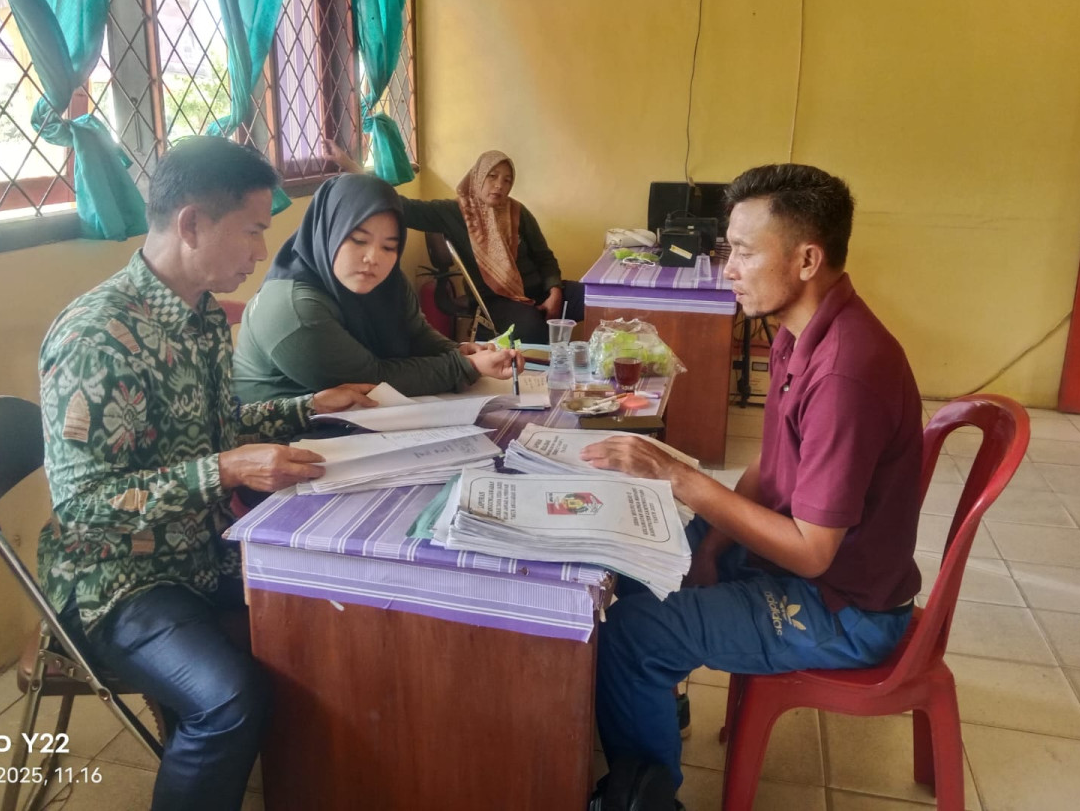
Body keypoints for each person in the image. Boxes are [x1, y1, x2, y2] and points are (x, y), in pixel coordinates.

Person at [38, 136, 376, 811]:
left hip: (201, 550)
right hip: (117, 581)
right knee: (227, 701)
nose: (261, 251)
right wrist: (224, 470)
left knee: (341, 612)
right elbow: (83, 507)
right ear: (191, 224)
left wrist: (310, 406)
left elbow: (219, 429)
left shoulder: (200, 316)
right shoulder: (95, 337)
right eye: (252, 231)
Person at [582, 163, 924, 799]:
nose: (727, 271)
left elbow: (812, 553)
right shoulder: (801, 333)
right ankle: (649, 708)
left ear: (806, 259)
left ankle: (645, 793)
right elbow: (771, 467)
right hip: (801, 567)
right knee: (631, 561)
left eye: (742, 252)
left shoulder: (846, 372)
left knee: (633, 635)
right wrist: (710, 548)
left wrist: (680, 478)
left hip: (845, 609)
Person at [232, 173, 522, 402]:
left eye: (389, 246)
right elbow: (372, 380)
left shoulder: (388, 282)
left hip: (356, 423)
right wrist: (468, 367)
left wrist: (461, 351)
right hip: (285, 441)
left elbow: (415, 334)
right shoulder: (295, 310)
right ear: (329, 232)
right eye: (359, 240)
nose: (373, 258)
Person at [325, 143, 583, 344]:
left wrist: (555, 292)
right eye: (492, 176)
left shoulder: (518, 212)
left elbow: (544, 257)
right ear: (478, 177)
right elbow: (401, 205)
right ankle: (545, 382)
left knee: (594, 298)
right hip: (496, 300)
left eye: (507, 180)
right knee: (532, 327)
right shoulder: (454, 213)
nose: (499, 185)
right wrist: (352, 166)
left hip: (539, 290)